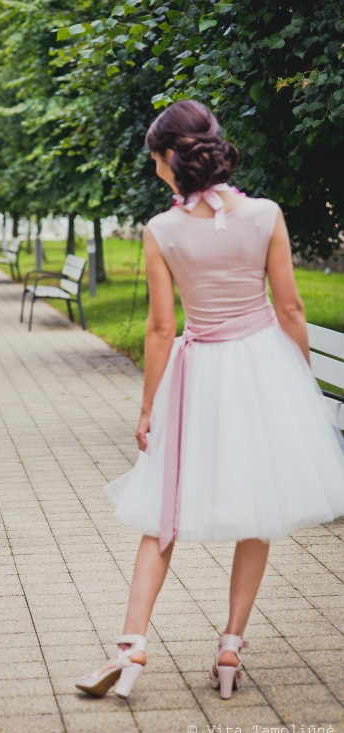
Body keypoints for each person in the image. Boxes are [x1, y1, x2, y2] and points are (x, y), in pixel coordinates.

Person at [76, 100, 344, 701]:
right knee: (259, 509)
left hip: (197, 375)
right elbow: (292, 308)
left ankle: (133, 646)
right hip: (260, 367)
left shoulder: (161, 230)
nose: (155, 173)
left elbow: (161, 329)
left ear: (172, 160)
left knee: (160, 510)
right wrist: (299, 385)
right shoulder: (267, 214)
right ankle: (230, 648)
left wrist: (148, 408)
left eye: (155, 162)